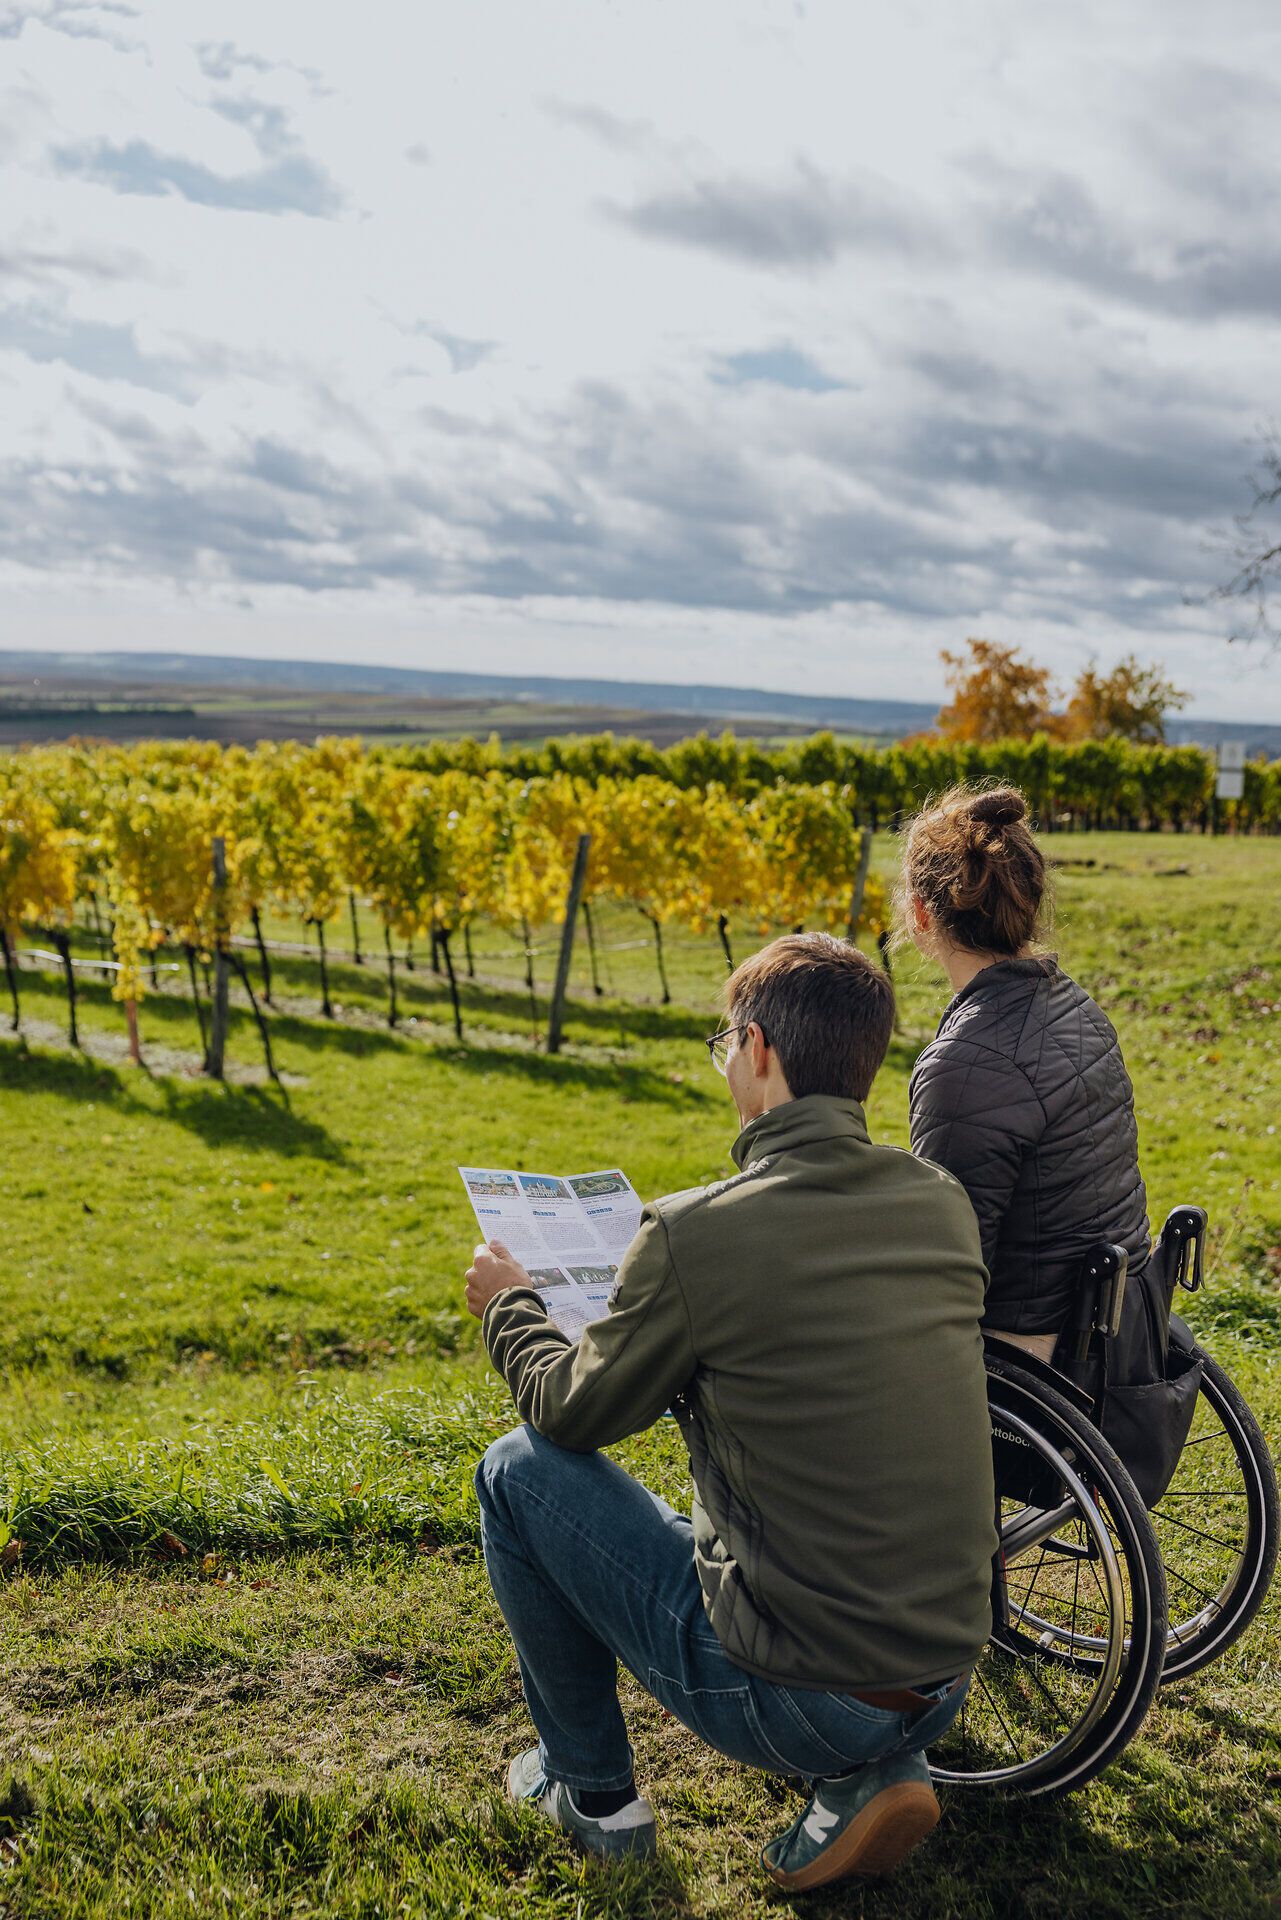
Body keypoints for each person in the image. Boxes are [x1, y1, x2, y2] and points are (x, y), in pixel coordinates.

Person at [465, 933, 996, 1889]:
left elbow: (566, 1414)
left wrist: (512, 1304)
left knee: (516, 1472)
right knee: (704, 1530)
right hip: (948, 1671)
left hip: (797, 1696)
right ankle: (873, 1769)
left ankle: (593, 1799)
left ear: (756, 1049)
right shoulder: (939, 1201)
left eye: (723, 1046)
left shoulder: (696, 1230)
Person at [903, 784, 1151, 1363]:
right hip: (1117, 1323)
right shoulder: (1077, 1005)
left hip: (1033, 1356)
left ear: (920, 914)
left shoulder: (968, 1062)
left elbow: (952, 1270)